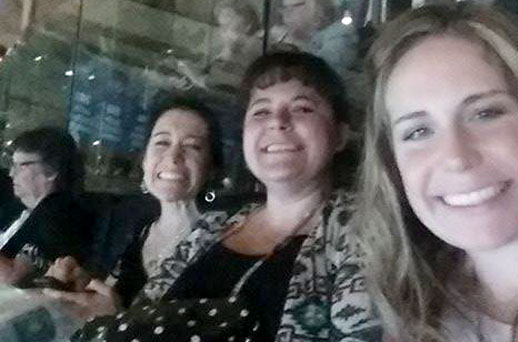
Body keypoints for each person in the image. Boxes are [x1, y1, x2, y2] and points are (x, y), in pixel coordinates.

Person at [73, 51, 381, 342]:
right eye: (261, 111)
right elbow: (143, 318)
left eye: (302, 108)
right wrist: (110, 317)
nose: (277, 121)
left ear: (340, 134)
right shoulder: (212, 228)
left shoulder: (365, 232)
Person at [356, 2, 518, 342]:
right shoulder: (410, 309)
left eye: (485, 113)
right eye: (418, 132)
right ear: (392, 167)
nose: (456, 157)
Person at [43, 96, 228, 316]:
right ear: (144, 159)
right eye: (162, 142)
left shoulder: (224, 246)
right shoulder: (136, 230)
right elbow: (115, 297)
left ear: (211, 168)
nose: (173, 157)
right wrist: (82, 285)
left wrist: (115, 319)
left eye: (192, 146)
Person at [0, 127, 93, 285]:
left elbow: (11, 277)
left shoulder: (62, 214)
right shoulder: (19, 208)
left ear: (52, 170)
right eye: (12, 165)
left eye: (21, 166)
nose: (11, 173)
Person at [275, 0, 358, 71]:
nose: (288, 13)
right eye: (285, 7)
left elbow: (327, 69)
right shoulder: (297, 35)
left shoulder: (340, 33)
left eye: (297, 5)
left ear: (317, 5)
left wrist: (292, 42)